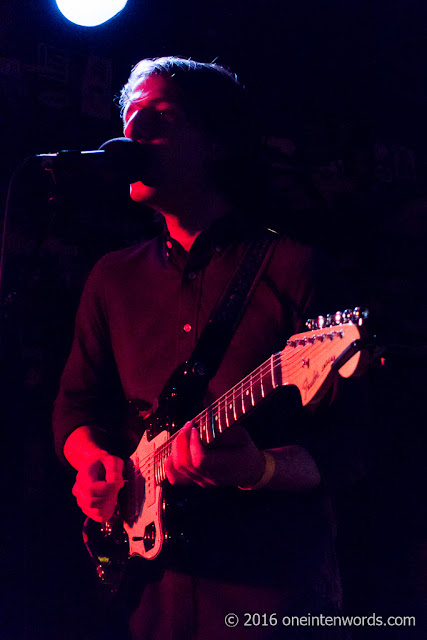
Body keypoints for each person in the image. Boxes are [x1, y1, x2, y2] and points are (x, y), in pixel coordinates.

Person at [53, 57, 367, 639]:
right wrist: (90, 463)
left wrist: (261, 468)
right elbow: (77, 407)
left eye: (158, 115)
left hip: (269, 596)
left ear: (218, 142)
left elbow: (352, 448)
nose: (132, 130)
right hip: (146, 600)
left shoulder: (296, 269)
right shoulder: (111, 277)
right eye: (129, 116)